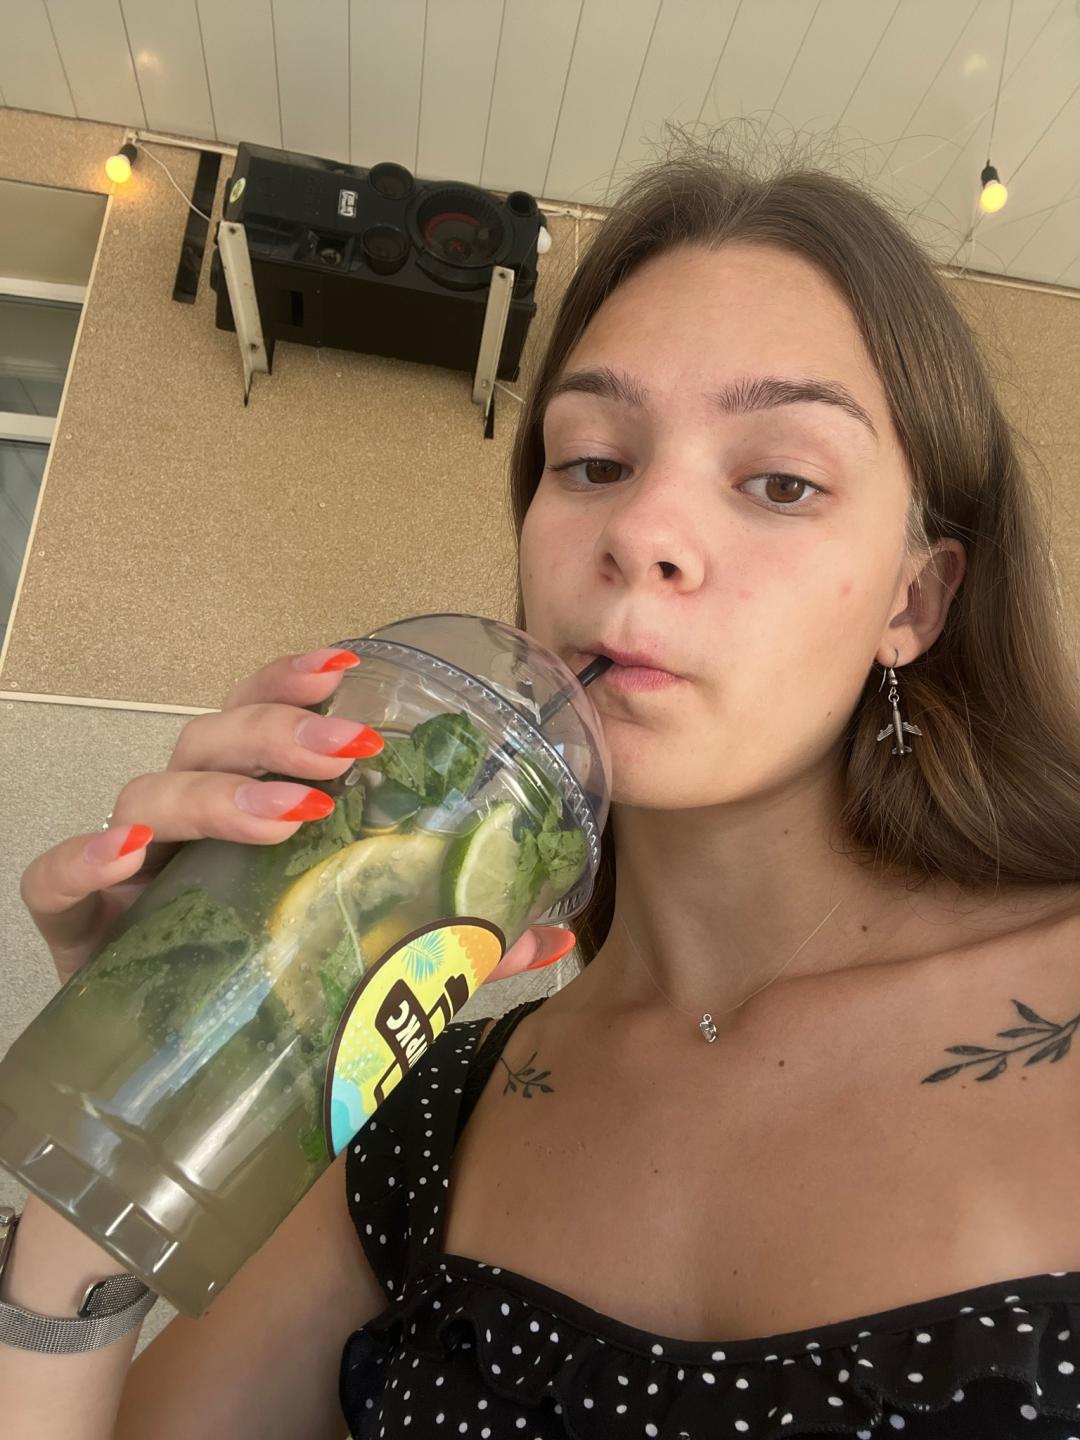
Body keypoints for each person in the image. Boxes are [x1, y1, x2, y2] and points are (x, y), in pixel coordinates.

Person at [6, 136, 1080, 1438]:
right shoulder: (425, 1118)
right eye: (594, 462)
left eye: (781, 481)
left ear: (914, 602)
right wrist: (145, 1088)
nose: (641, 532)